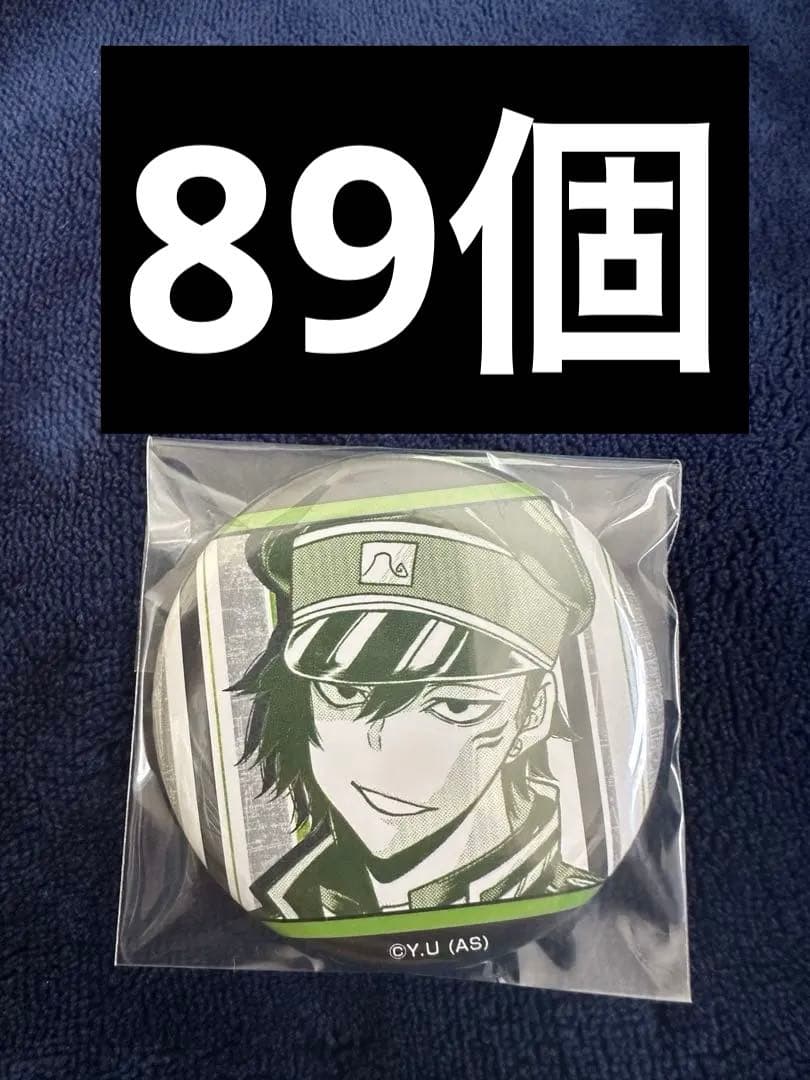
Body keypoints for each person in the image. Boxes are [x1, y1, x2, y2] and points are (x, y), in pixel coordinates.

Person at [234, 494, 600, 920]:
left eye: (456, 706)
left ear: (533, 712)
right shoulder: (278, 914)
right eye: (345, 692)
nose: (385, 755)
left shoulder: (592, 916)